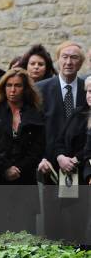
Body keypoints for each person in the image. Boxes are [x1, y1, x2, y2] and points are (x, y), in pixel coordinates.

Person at [0, 68, 45, 185]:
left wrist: (19, 168)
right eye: (9, 85)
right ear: (3, 87)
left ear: (25, 88)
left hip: (25, 176)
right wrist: (5, 168)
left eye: (18, 86)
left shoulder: (35, 113)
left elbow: (38, 148)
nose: (12, 90)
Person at [37, 41, 87, 176]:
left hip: (81, 165)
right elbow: (36, 129)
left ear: (81, 63)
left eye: (74, 57)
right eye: (64, 57)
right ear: (58, 60)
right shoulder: (40, 89)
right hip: (48, 165)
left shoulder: (87, 90)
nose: (69, 62)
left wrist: (77, 158)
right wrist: (45, 157)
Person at [54, 76, 91, 185]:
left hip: (86, 173)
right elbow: (59, 139)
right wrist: (60, 157)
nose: (90, 96)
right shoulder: (77, 113)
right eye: (89, 91)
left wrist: (75, 160)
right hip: (69, 175)